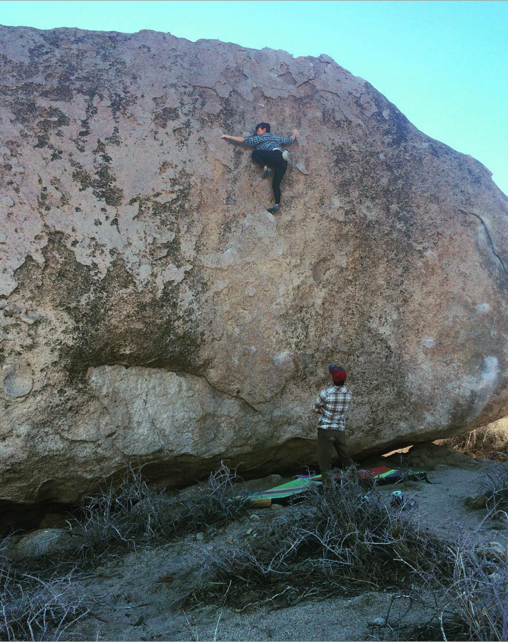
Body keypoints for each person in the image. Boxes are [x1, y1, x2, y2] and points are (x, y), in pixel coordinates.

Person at [221, 122, 297, 214]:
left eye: (258, 130)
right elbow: (289, 140)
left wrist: (228, 136)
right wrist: (294, 133)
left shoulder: (262, 137)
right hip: (283, 160)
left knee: (255, 153)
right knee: (276, 184)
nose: (257, 132)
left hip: (274, 155)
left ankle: (265, 168)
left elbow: (245, 140)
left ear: (264, 130)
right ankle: (277, 204)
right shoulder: (275, 137)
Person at [313, 365, 355, 480]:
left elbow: (315, 408)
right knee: (345, 457)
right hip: (339, 429)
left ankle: (328, 487)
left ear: (332, 378)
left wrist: (321, 410)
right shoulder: (348, 393)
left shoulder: (326, 393)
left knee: (325, 461)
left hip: (326, 430)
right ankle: (357, 481)